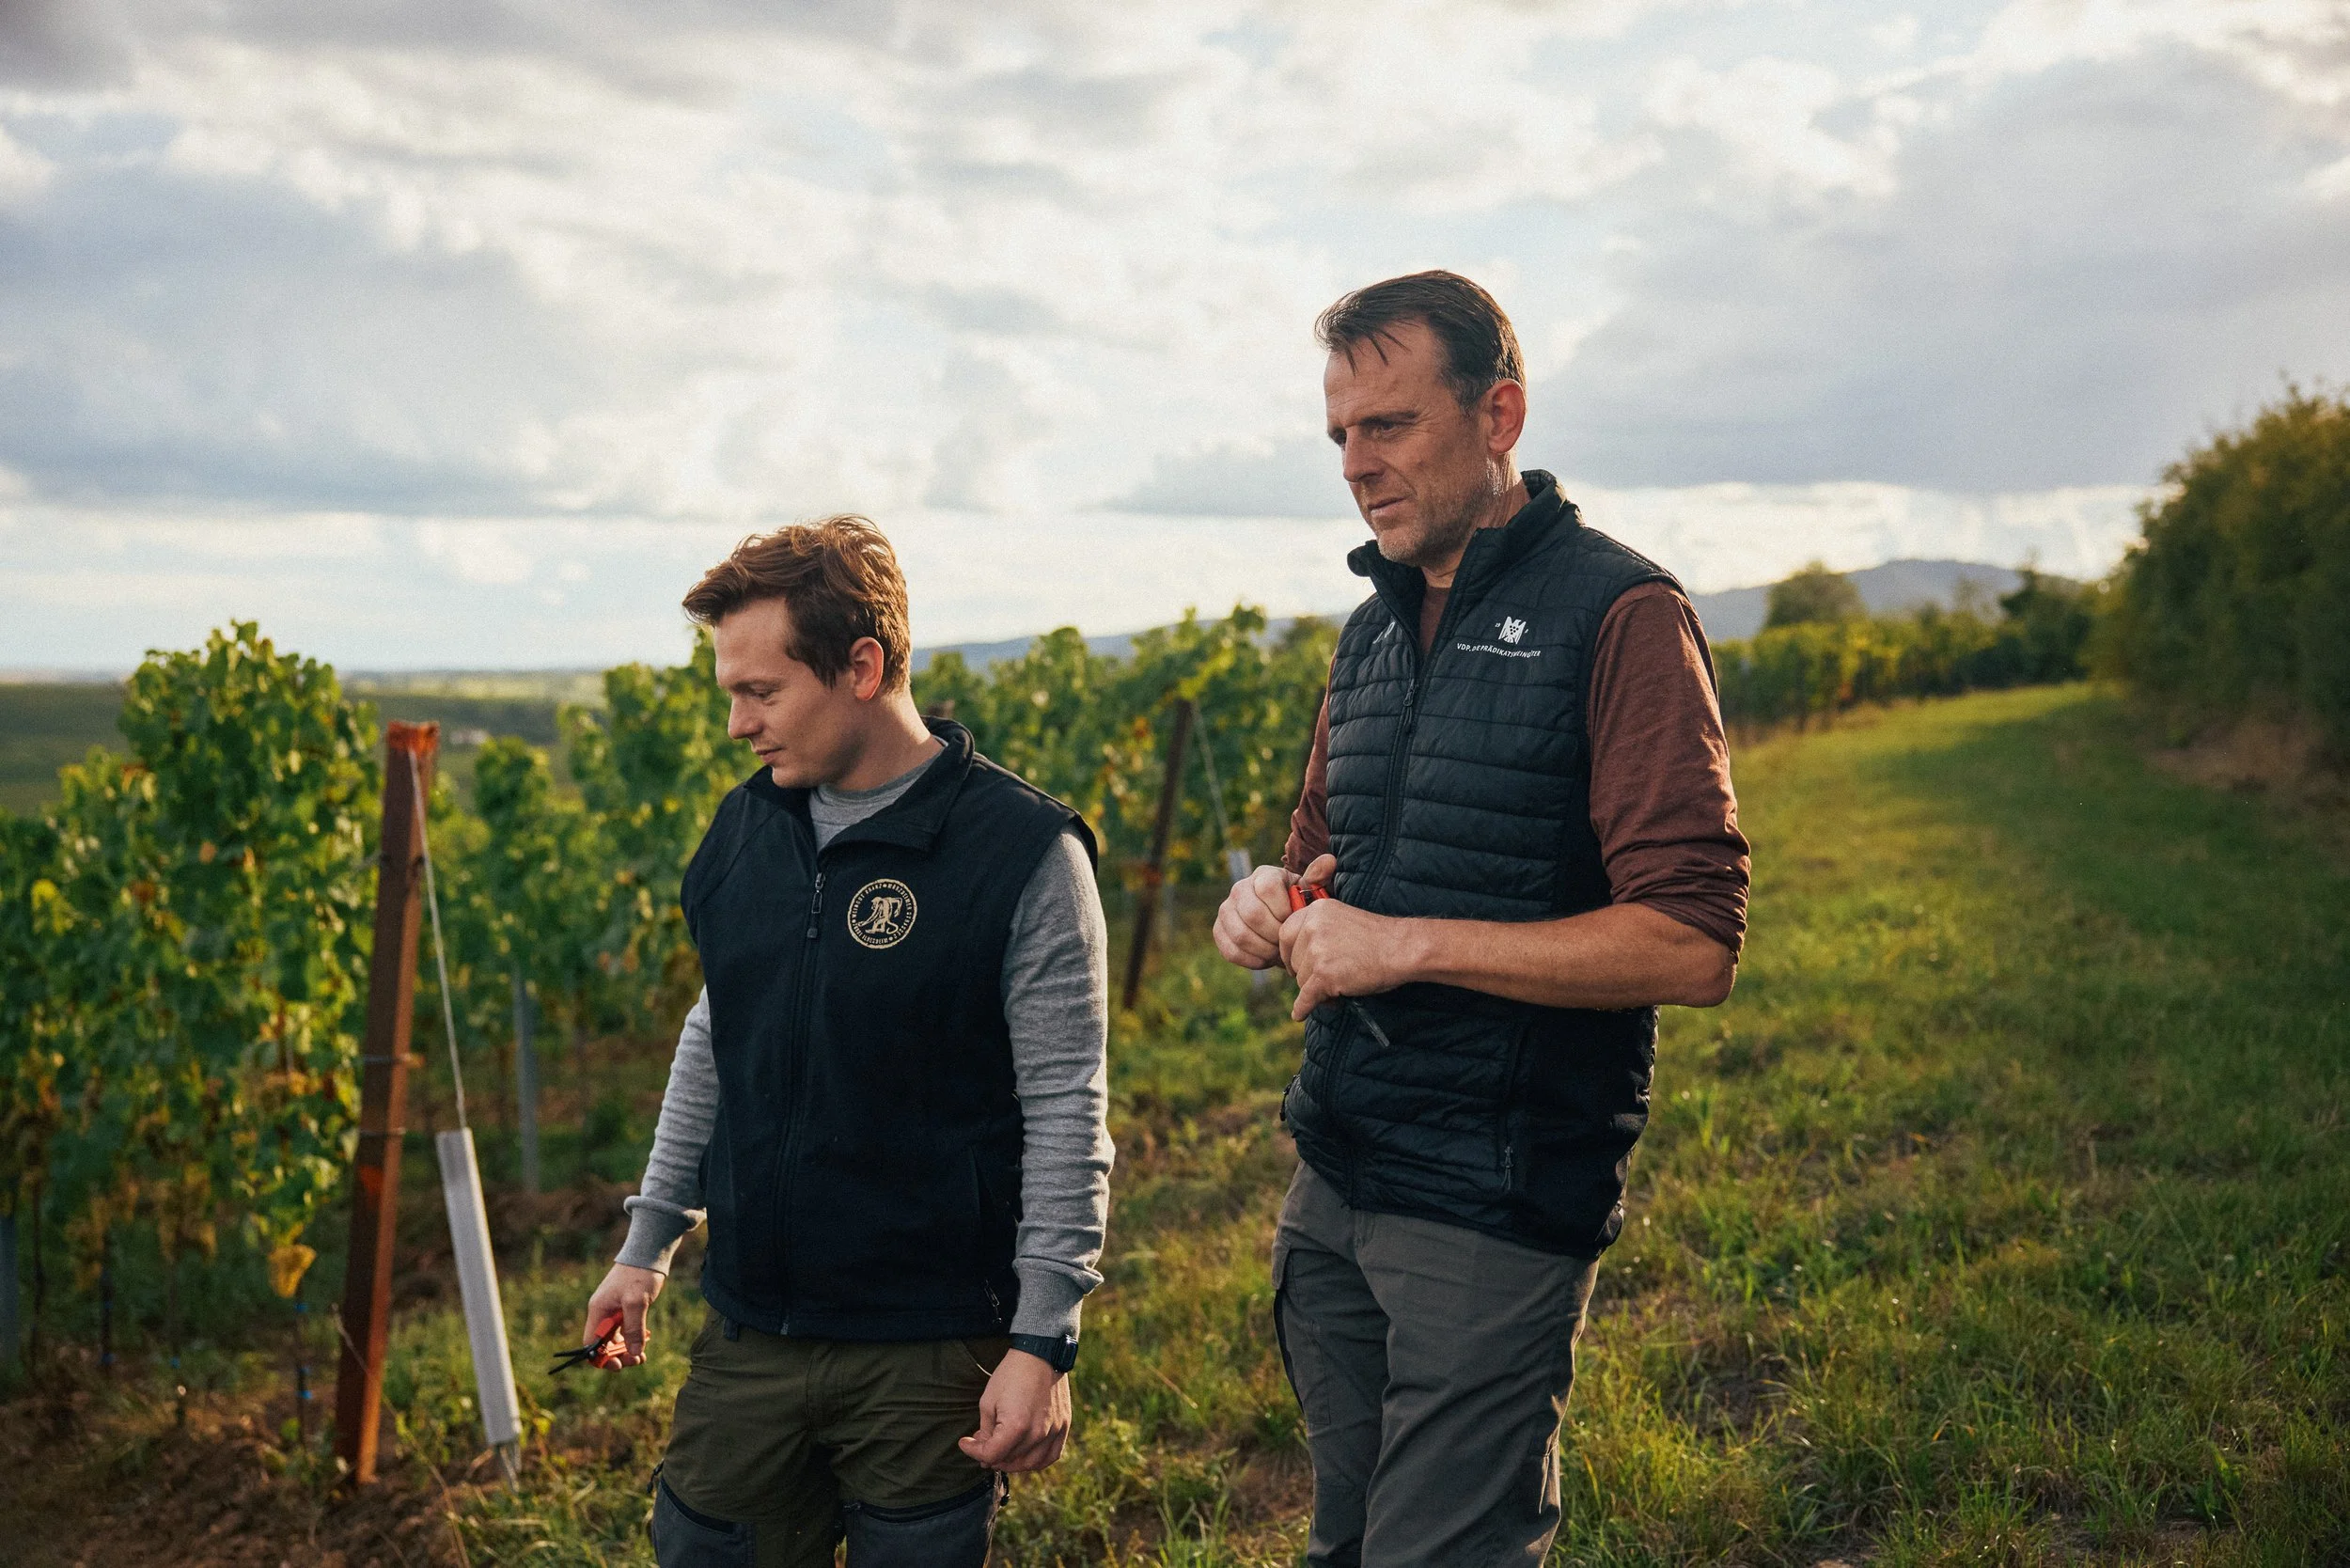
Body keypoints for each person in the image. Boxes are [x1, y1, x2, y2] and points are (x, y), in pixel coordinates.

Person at [1213, 272, 1750, 1566]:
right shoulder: (1369, 637)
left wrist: (1408, 946)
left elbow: (1692, 940)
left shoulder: (1621, 616)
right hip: (1335, 1174)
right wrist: (1268, 905)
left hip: (1494, 1195)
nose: (1355, 463)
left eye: (1388, 425)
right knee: (1343, 1542)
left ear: (1497, 413)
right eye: (1339, 434)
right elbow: (1317, 867)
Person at [579, 517, 1114, 1568]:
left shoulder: (1021, 854)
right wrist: (646, 1249)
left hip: (930, 1347)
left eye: (761, 692)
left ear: (862, 667)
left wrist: (1043, 1340)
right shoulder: (747, 830)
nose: (737, 724)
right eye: (729, 691)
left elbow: (1067, 1107)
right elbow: (714, 1037)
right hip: (752, 1331)